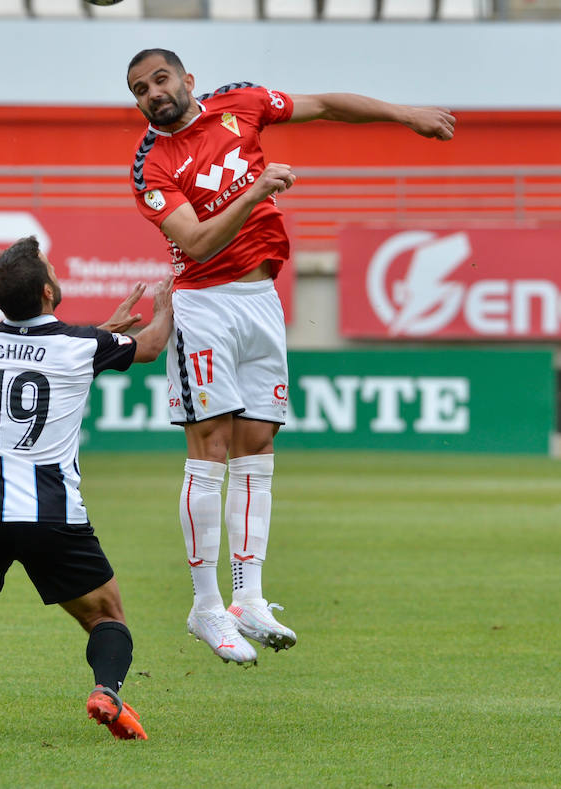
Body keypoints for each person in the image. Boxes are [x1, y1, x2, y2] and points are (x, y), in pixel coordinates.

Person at [123, 48, 455, 665]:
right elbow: (194, 242)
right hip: (205, 306)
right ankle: (205, 606)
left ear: (187, 79)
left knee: (257, 443)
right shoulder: (151, 165)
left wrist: (404, 114)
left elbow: (327, 105)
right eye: (140, 89)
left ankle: (248, 596)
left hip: (261, 299)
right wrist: (257, 191)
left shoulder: (241, 103)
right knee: (211, 448)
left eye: (161, 79)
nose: (153, 94)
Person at [0, 236, 172, 740]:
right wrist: (171, 303)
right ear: (47, 291)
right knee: (107, 615)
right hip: (53, 517)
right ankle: (107, 690)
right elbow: (150, 346)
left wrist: (104, 330)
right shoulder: (82, 346)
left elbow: (43, 350)